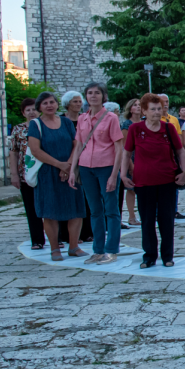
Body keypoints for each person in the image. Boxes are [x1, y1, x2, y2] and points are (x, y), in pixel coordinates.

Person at [120, 93, 185, 268]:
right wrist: (122, 174)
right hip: (143, 181)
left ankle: (167, 256)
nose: (157, 112)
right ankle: (149, 255)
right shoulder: (135, 129)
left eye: (159, 109)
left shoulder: (168, 128)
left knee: (166, 219)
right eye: (153, 109)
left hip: (166, 179)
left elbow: (180, 151)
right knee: (147, 220)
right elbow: (126, 153)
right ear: (144, 110)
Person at [67, 82, 123, 264]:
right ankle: (97, 249)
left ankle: (111, 249)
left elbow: (118, 147)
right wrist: (73, 170)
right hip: (86, 166)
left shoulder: (111, 118)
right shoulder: (82, 118)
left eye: (97, 93)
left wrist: (115, 174)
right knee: (95, 210)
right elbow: (78, 146)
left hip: (106, 166)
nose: (93, 96)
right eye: (90, 93)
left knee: (111, 208)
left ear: (103, 96)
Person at [26, 92, 85, 261]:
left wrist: (68, 165)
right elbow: (35, 150)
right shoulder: (35, 125)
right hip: (48, 174)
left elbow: (76, 144)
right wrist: (59, 165)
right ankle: (54, 249)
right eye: (45, 103)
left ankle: (74, 246)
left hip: (70, 170)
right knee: (50, 212)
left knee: (76, 209)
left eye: (52, 102)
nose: (49, 105)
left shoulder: (66, 122)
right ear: (39, 107)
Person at [8, 97, 45, 250]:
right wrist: (14, 174)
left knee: (51, 205)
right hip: (26, 172)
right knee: (31, 207)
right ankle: (37, 239)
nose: (31, 112)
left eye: (33, 109)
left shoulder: (47, 126)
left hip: (45, 171)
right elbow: (13, 152)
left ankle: (58, 237)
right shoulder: (18, 129)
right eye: (27, 110)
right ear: (23, 113)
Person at [60, 88, 94, 245]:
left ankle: (86, 232)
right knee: (67, 199)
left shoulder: (85, 119)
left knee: (86, 198)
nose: (79, 104)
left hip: (84, 162)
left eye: (80, 101)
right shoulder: (61, 121)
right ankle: (66, 234)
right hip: (65, 161)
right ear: (67, 104)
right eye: (75, 101)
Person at [120, 98, 143, 226]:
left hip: (144, 158)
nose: (138, 107)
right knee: (131, 189)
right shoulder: (127, 125)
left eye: (140, 105)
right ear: (130, 108)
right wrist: (130, 164)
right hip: (132, 158)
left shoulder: (145, 122)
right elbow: (125, 147)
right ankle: (132, 216)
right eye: (135, 105)